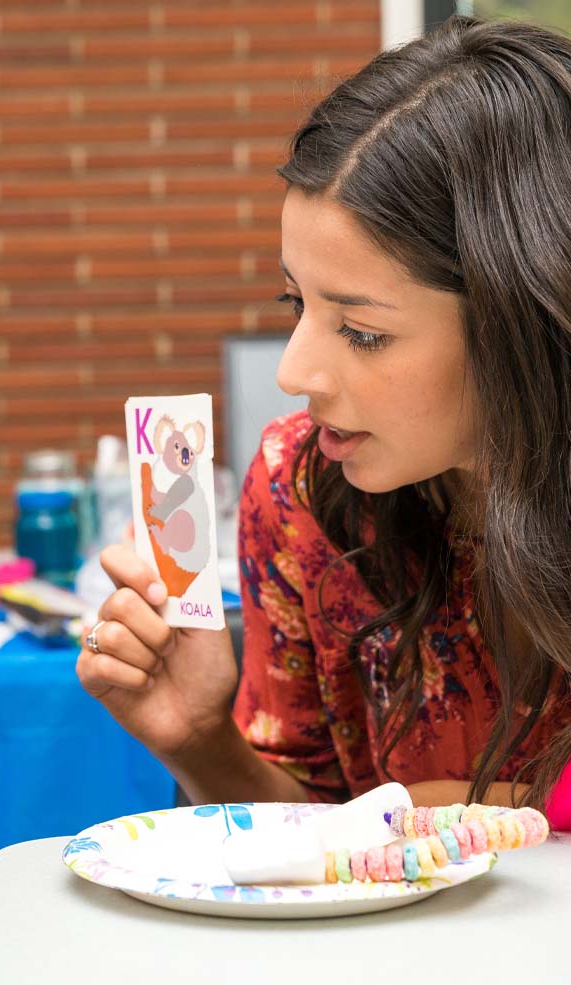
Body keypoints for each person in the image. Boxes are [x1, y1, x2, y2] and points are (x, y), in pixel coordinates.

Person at [76, 15, 571, 823]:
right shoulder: (300, 485)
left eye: (363, 330)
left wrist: (491, 811)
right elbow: (312, 834)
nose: (292, 371)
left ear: (523, 321)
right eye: (294, 302)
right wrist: (200, 737)